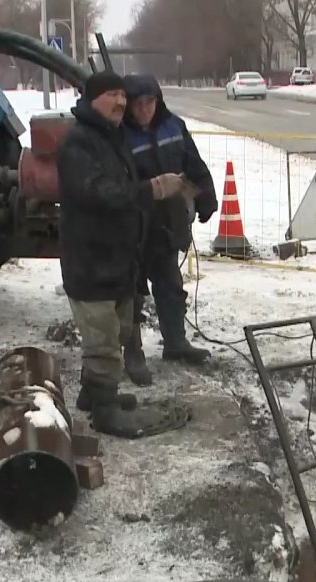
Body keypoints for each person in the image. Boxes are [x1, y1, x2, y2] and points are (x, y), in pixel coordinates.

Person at [56, 70, 186, 437]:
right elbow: (101, 193)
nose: (120, 103)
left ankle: (93, 394)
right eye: (111, 95)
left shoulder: (112, 138)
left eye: (122, 96)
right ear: (91, 99)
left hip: (118, 261)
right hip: (91, 262)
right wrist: (153, 189)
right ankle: (104, 411)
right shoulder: (78, 144)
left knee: (117, 332)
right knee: (102, 341)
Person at [121, 74, 218, 386]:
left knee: (170, 285)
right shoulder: (118, 135)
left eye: (150, 102)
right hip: (133, 226)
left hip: (167, 222)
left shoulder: (173, 125)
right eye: (138, 104)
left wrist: (206, 195)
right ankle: (133, 354)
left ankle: (175, 342)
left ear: (158, 101)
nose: (145, 109)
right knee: (131, 294)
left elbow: (193, 162)